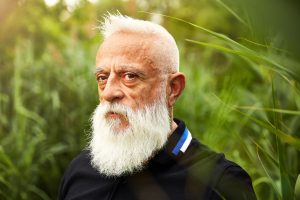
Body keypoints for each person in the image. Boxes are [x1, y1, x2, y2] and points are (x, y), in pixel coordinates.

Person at [58, 14, 256, 200]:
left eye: (130, 76)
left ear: (172, 89)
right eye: (102, 78)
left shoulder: (220, 183)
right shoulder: (80, 170)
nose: (109, 93)